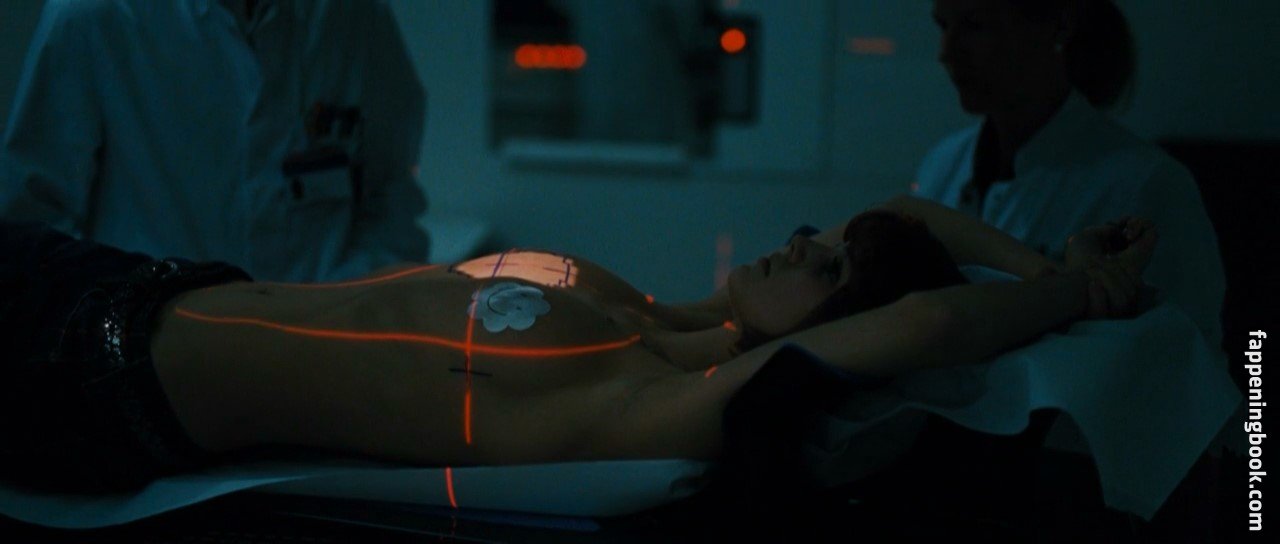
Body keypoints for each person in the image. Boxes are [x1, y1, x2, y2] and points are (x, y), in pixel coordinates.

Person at [0, 195, 1154, 493]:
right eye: (822, 238)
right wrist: (1036, 255)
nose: (804, 245)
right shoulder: (618, 297)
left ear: (838, 332)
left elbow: (930, 320)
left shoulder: (638, 400)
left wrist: (1076, 294)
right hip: (122, 279)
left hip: (90, 382)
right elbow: (903, 213)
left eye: (829, 273)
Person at [0, 0, 429, 282]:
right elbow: (32, 235)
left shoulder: (354, 17)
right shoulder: (95, 17)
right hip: (149, 366)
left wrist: (350, 308)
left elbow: (392, 197)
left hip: (323, 360)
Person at [916, 0, 1225, 349]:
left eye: (975, 25)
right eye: (943, 26)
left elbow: (1191, 356)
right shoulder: (942, 164)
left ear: (1058, 26)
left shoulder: (1149, 184)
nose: (946, 52)